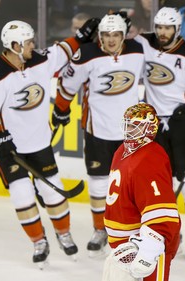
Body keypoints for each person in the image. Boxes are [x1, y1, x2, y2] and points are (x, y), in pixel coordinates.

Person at [0, 18, 100, 268]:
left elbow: (63, 51)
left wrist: (81, 35)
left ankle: (63, 234)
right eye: (29, 42)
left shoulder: (41, 60)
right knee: (22, 196)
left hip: (38, 145)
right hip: (8, 149)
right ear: (14, 45)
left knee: (53, 191)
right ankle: (38, 241)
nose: (34, 45)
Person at [52, 13, 145, 258]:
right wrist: (60, 110)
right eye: (106, 35)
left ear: (124, 34)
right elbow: (66, 85)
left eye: (116, 34)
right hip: (98, 131)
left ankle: (134, 229)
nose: (111, 40)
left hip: (131, 132)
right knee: (99, 181)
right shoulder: (86, 55)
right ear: (99, 36)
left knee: (132, 185)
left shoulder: (138, 50)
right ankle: (100, 229)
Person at [132, 7, 185, 262]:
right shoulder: (143, 43)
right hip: (154, 126)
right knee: (160, 187)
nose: (162, 32)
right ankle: (170, 234)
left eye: (167, 28)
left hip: (184, 125)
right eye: (159, 27)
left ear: (177, 29)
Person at [101, 102, 181, 281]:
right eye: (128, 125)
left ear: (149, 129)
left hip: (144, 248)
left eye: (135, 126)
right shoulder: (121, 151)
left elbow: (161, 211)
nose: (129, 131)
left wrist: (149, 250)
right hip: (124, 248)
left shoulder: (151, 157)